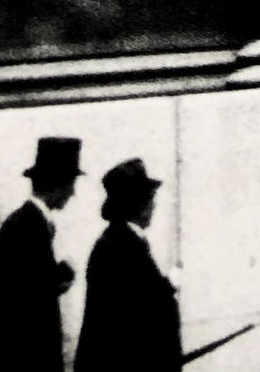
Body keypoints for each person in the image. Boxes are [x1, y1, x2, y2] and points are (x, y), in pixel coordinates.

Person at [0, 135, 83, 372]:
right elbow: (29, 302)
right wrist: (59, 278)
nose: (73, 193)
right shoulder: (29, 228)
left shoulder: (24, 224)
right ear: (60, 184)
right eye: (71, 184)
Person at [75, 158, 182, 372]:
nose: (154, 205)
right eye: (150, 199)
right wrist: (169, 286)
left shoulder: (115, 241)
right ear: (140, 205)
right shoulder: (122, 246)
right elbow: (139, 312)